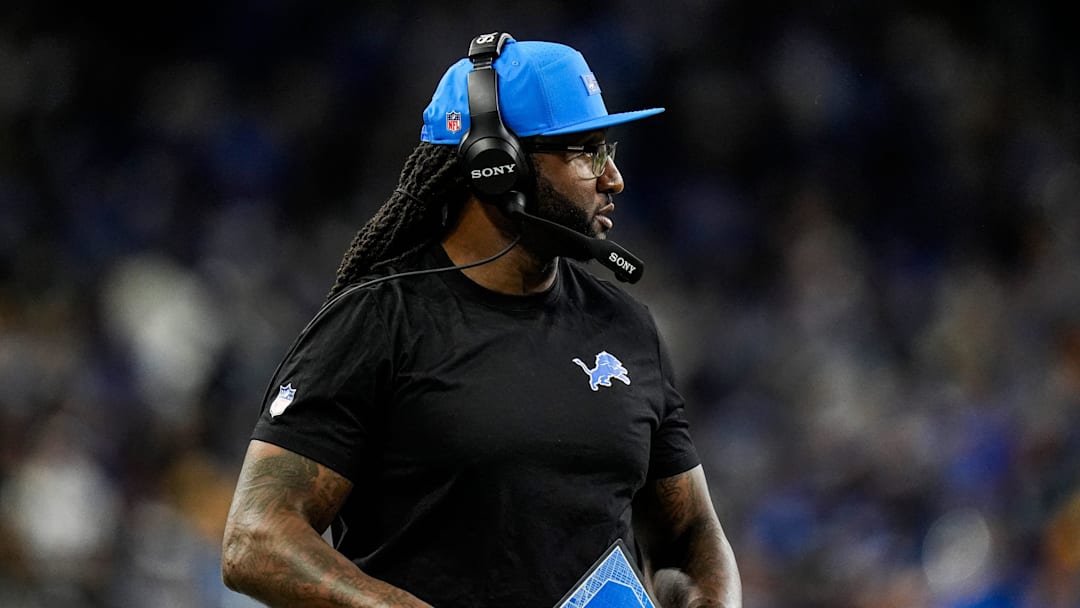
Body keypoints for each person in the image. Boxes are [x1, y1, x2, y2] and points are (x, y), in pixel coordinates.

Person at [221, 32, 741, 608]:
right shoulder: (378, 321)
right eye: (586, 151)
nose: (612, 177)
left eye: (608, 151)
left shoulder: (628, 327)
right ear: (498, 165)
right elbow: (256, 538)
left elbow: (689, 537)